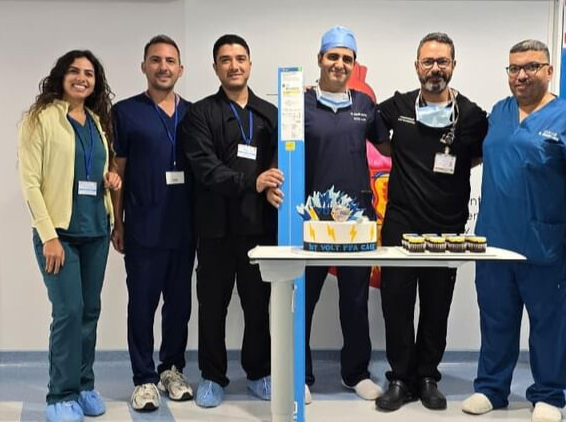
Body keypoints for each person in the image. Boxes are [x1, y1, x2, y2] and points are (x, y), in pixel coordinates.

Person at [461, 40, 566, 422]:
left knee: (548, 325)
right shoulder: (499, 112)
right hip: (494, 243)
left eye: (531, 67)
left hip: (543, 245)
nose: (521, 75)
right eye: (514, 68)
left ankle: (549, 395)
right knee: (495, 320)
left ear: (549, 71)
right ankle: (491, 388)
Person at [374, 32, 488, 412]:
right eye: (428, 61)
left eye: (442, 61)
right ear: (417, 66)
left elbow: (476, 156)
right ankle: (399, 378)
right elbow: (376, 134)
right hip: (401, 225)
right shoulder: (397, 106)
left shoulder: (471, 115)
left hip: (446, 229)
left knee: (437, 307)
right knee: (396, 306)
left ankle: (427, 377)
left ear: (453, 65)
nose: (435, 68)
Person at [18, 50, 121, 422]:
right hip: (59, 234)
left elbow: (92, 170)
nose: (82, 78)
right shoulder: (41, 119)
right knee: (69, 311)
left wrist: (110, 178)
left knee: (90, 311)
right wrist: (48, 236)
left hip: (95, 230)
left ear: (96, 82)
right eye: (75, 71)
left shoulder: (96, 122)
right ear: (61, 76)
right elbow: (30, 183)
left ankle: (84, 385)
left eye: (89, 73)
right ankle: (60, 395)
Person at [182, 34, 283, 408]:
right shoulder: (200, 114)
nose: (234, 65)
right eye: (225, 59)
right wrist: (253, 183)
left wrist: (273, 182)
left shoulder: (270, 113)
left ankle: (258, 373)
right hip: (215, 230)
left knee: (258, 307)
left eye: (240, 58)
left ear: (250, 64)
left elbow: (281, 159)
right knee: (212, 307)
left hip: (259, 229)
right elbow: (206, 168)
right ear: (215, 68)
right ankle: (212, 377)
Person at [301, 26, 390, 404]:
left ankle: (355, 373)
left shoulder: (365, 105)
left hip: (356, 220)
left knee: (355, 299)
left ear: (354, 64)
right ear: (320, 59)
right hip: (310, 219)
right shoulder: (301, 104)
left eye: (347, 58)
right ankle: (300, 374)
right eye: (333, 56)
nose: (339, 64)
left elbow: (389, 150)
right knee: (303, 299)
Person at [110, 35, 195, 412]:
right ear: (144, 66)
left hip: (185, 228)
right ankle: (144, 378)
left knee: (179, 306)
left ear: (181, 69)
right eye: (156, 60)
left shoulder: (194, 113)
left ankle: (171, 370)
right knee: (142, 306)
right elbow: (118, 170)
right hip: (143, 226)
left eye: (170, 61)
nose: (163, 67)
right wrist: (118, 222)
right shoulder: (126, 112)